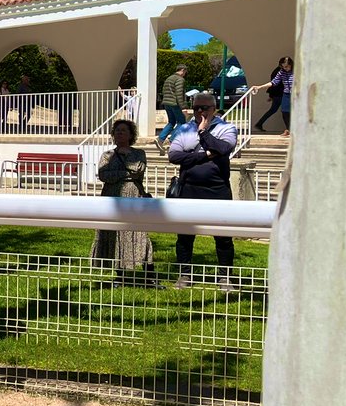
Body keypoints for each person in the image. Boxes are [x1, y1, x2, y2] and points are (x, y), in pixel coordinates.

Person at [168, 92, 238, 291]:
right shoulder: (183, 129)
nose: (200, 111)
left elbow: (224, 148)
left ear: (213, 109)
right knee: (184, 236)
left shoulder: (227, 128)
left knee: (223, 236)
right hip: (188, 188)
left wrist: (203, 133)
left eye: (204, 108)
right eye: (197, 107)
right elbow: (173, 155)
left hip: (218, 189)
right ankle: (184, 275)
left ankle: (225, 278)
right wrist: (206, 155)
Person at [89, 119, 154, 282]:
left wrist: (123, 164)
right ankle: (120, 274)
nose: (120, 133)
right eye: (117, 130)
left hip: (134, 196)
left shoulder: (139, 153)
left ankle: (150, 275)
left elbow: (138, 170)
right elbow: (104, 175)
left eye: (124, 130)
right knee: (116, 233)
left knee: (140, 233)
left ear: (131, 134)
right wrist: (125, 174)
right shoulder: (107, 155)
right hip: (112, 197)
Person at [251, 56, 294, 137]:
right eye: (283, 67)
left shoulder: (296, 71)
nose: (285, 68)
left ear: (291, 64)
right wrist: (259, 87)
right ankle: (289, 129)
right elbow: (273, 82)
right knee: (285, 111)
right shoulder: (281, 72)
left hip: (296, 94)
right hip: (286, 94)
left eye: (287, 66)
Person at [155, 65, 187, 153]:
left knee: (171, 122)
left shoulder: (168, 78)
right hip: (175, 104)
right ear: (183, 70)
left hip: (166, 103)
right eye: (185, 72)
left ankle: (160, 139)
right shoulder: (180, 79)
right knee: (182, 122)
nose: (185, 74)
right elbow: (179, 93)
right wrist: (183, 107)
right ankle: (172, 141)